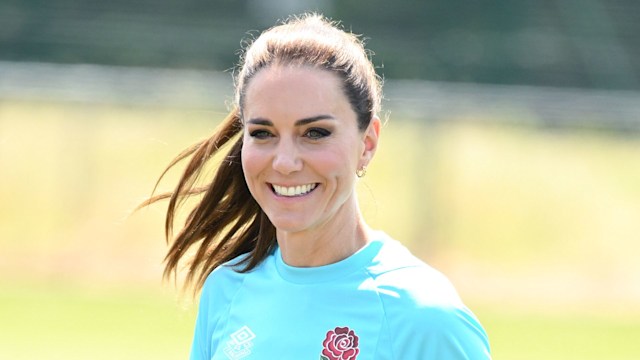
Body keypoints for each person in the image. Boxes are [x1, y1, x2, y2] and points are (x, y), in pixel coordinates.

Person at [144, 13, 491, 360]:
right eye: (263, 134)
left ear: (367, 143)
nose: (284, 162)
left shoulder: (423, 318)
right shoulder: (226, 290)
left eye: (315, 133)